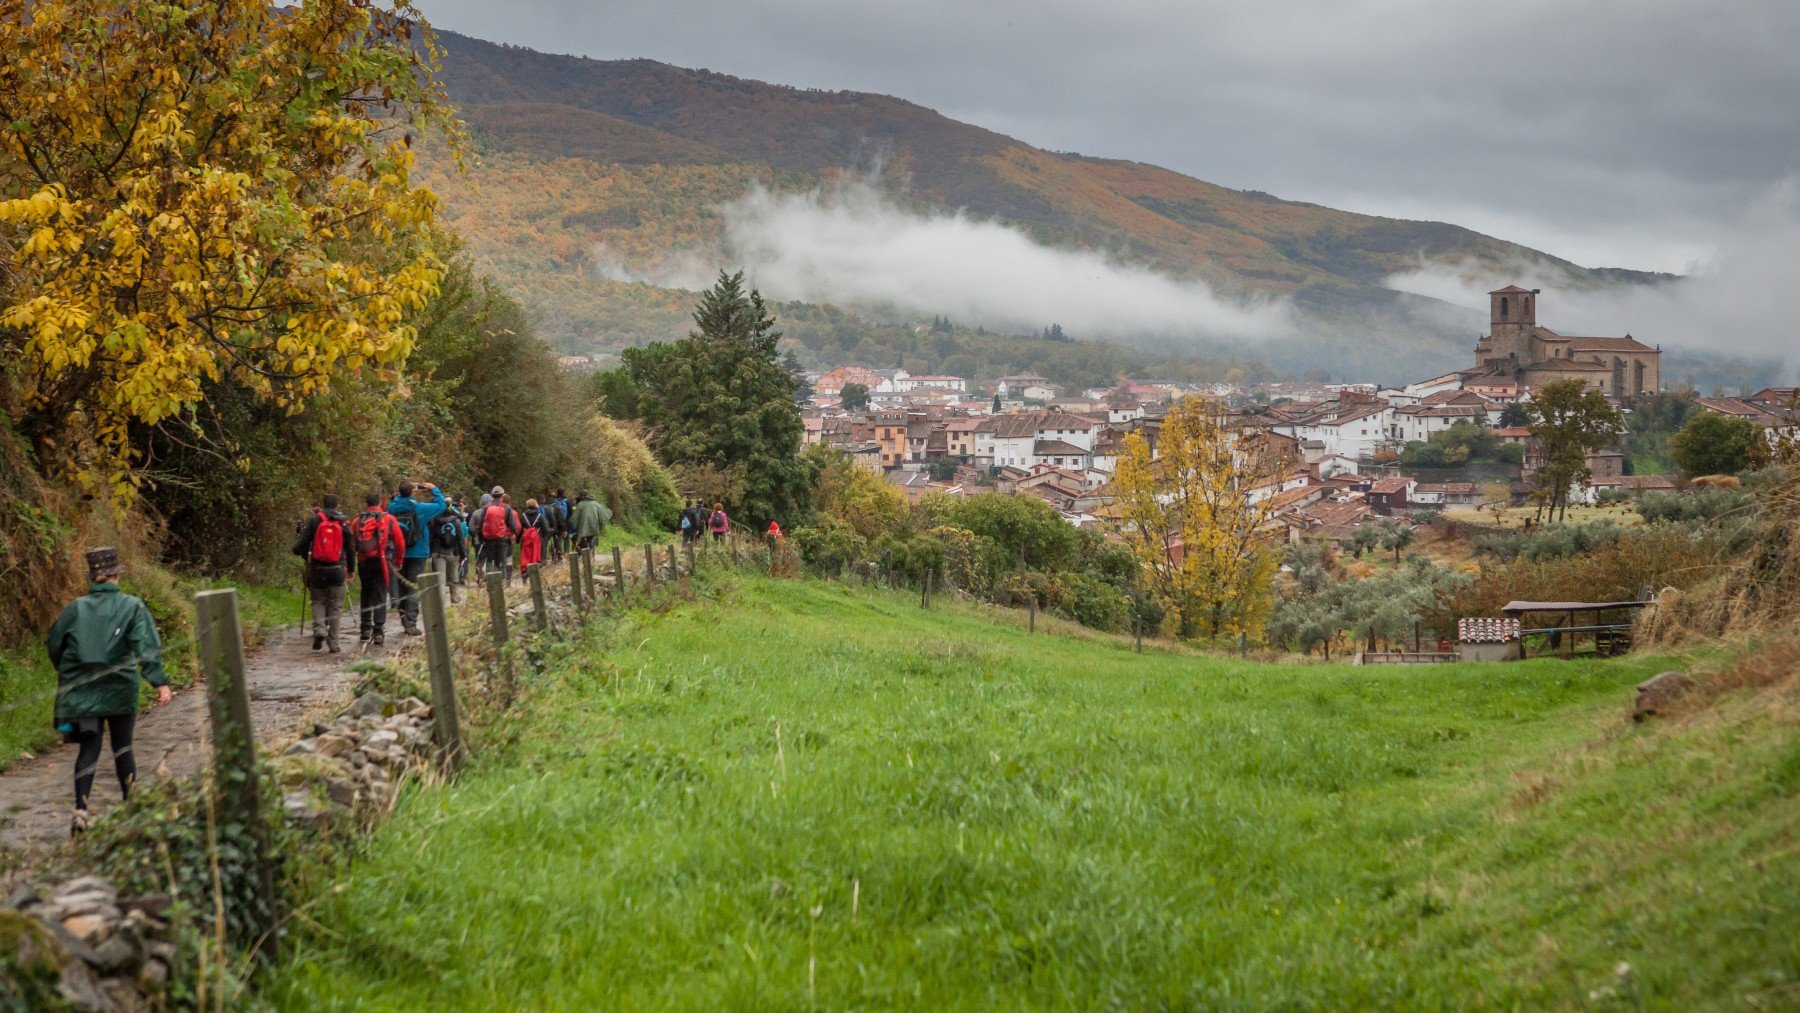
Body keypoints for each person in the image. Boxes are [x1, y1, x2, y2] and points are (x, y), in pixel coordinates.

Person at [47, 548, 171, 836]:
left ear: (93, 577)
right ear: (116, 575)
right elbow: (145, 646)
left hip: (83, 688)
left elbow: (54, 643)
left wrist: (68, 673)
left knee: (89, 747)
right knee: (123, 747)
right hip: (120, 689)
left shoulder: (75, 608)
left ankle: (81, 810)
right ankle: (132, 809)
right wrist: (159, 681)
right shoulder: (133, 606)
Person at [293, 494, 353, 652]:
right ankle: (333, 642)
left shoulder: (315, 520)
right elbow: (351, 547)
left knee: (318, 601)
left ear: (323, 504)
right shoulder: (343, 521)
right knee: (335, 606)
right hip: (337, 568)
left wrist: (303, 553)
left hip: (317, 568)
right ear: (337, 504)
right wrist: (351, 569)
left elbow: (301, 544)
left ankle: (319, 630)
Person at [388, 481, 447, 636]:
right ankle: (412, 623)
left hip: (398, 553)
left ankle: (404, 621)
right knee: (413, 587)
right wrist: (434, 489)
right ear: (412, 492)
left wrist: (398, 496)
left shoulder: (392, 508)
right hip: (418, 551)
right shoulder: (420, 508)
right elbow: (441, 505)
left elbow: (392, 504)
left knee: (401, 587)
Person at [350, 491, 404, 645]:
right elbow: (399, 542)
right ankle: (378, 630)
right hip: (382, 560)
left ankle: (365, 629)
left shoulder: (358, 520)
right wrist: (398, 561)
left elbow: (352, 543)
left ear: (366, 504)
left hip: (364, 561)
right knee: (380, 593)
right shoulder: (389, 519)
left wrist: (351, 565)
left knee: (366, 592)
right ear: (380, 503)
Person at [472, 486, 521, 580]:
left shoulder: (486, 508)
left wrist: (482, 538)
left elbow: (481, 524)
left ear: (492, 495)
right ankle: (502, 584)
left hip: (489, 539)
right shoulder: (506, 508)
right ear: (502, 495)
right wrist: (510, 535)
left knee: (490, 560)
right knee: (502, 562)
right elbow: (513, 526)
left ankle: (490, 583)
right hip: (502, 539)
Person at [429, 498, 467, 604]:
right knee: (454, 578)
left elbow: (430, 538)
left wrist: (429, 553)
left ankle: (440, 602)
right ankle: (455, 599)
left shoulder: (434, 521)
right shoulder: (456, 521)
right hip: (453, 553)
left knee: (440, 580)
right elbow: (460, 539)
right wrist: (463, 554)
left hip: (438, 553)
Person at [519, 497, 550, 578]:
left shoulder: (523, 516)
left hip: (525, 538)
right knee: (535, 555)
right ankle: (533, 573)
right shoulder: (539, 516)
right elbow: (546, 529)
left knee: (526, 555)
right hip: (536, 539)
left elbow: (519, 529)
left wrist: (518, 539)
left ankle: (524, 572)